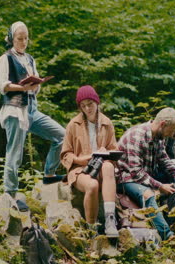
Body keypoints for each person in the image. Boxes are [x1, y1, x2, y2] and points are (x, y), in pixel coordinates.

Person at [0, 21, 65, 212]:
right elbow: (2, 84)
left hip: (32, 109)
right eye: (19, 38)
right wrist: (22, 87)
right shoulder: (5, 59)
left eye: (26, 38)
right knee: (15, 152)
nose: (23, 42)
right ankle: (11, 194)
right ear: (11, 39)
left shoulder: (30, 59)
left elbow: (36, 85)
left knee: (61, 135)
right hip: (15, 110)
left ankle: (49, 174)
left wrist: (36, 85)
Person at [116, 107, 175, 240]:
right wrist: (160, 186)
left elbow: (164, 159)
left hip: (145, 175)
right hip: (125, 178)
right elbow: (136, 172)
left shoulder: (159, 137)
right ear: (162, 124)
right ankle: (168, 236)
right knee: (148, 195)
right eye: (170, 131)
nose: (170, 135)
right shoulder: (137, 136)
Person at [60, 85, 119, 237]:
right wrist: (79, 160)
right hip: (80, 170)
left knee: (107, 167)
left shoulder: (107, 123)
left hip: (101, 167)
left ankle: (110, 220)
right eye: (83, 105)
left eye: (90, 104)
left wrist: (107, 153)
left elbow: (115, 151)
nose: (87, 108)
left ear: (97, 102)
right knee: (92, 186)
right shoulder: (73, 124)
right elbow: (65, 154)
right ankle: (91, 229)